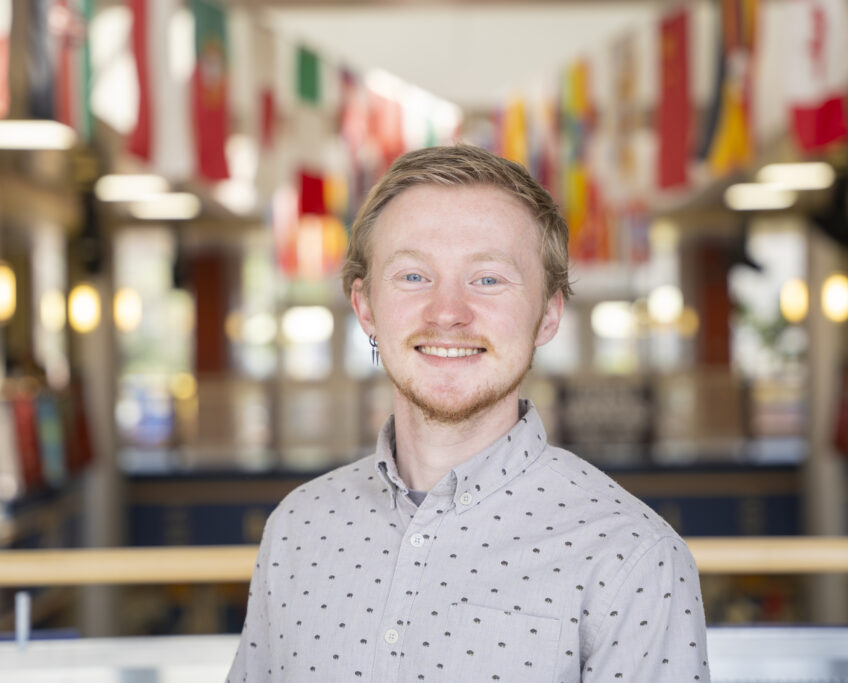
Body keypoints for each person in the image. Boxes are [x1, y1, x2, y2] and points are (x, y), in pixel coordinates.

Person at [227, 145, 710, 682]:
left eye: (488, 279)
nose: (448, 313)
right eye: (413, 276)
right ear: (365, 309)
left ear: (549, 315)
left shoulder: (635, 558)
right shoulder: (297, 527)